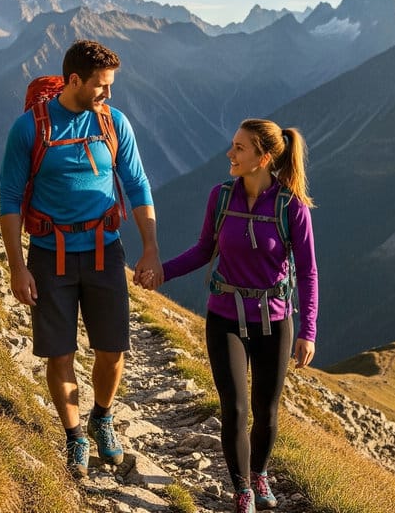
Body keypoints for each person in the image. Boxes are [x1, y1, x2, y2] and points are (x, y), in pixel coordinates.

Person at [0, 39, 163, 479]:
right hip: (49, 255)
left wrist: (150, 246)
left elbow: (138, 184)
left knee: (111, 351)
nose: (108, 95)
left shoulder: (114, 123)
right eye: (101, 86)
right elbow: (10, 200)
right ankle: (74, 437)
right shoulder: (29, 128)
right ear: (74, 81)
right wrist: (17, 265)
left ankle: (102, 416)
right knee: (60, 354)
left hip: (106, 251)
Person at [142, 118, 317, 513]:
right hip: (224, 315)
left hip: (275, 320)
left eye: (239, 148)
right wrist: (162, 272)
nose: (229, 154)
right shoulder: (221, 197)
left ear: (264, 157)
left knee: (266, 410)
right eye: (233, 145)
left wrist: (309, 329)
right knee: (235, 407)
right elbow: (205, 249)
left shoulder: (292, 208)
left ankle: (260, 473)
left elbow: (307, 271)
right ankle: (242, 490)